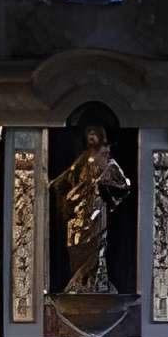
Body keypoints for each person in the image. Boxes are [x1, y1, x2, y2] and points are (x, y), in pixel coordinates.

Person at [52, 124, 130, 295]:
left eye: (95, 134)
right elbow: (65, 179)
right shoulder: (82, 159)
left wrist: (103, 181)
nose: (92, 138)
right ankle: (79, 285)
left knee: (96, 250)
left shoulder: (105, 158)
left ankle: (94, 286)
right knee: (76, 249)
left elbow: (122, 184)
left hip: (96, 213)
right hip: (77, 217)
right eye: (89, 134)